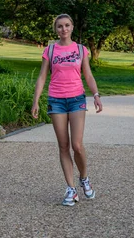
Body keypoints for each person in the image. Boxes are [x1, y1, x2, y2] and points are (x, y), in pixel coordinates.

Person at [31, 14, 103, 206]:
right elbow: (42, 77)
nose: (64, 29)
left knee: (77, 145)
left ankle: (84, 178)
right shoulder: (50, 50)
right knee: (63, 146)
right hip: (56, 100)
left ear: (72, 27)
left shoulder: (81, 49)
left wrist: (96, 95)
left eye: (67, 25)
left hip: (76, 99)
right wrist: (36, 100)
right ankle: (71, 189)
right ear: (56, 29)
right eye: (60, 26)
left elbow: (87, 75)